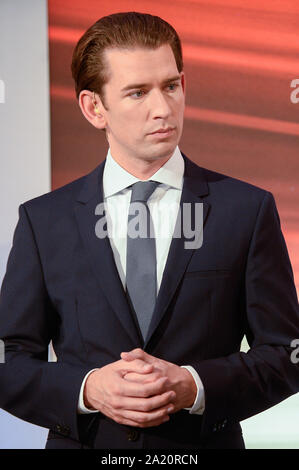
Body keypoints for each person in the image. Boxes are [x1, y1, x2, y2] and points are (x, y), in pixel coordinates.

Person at [0, 11, 298, 450]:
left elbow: (287, 355)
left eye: (171, 86)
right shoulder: (44, 221)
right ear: (93, 108)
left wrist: (194, 386)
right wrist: (88, 389)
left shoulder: (247, 211)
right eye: (138, 92)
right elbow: (10, 361)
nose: (163, 108)